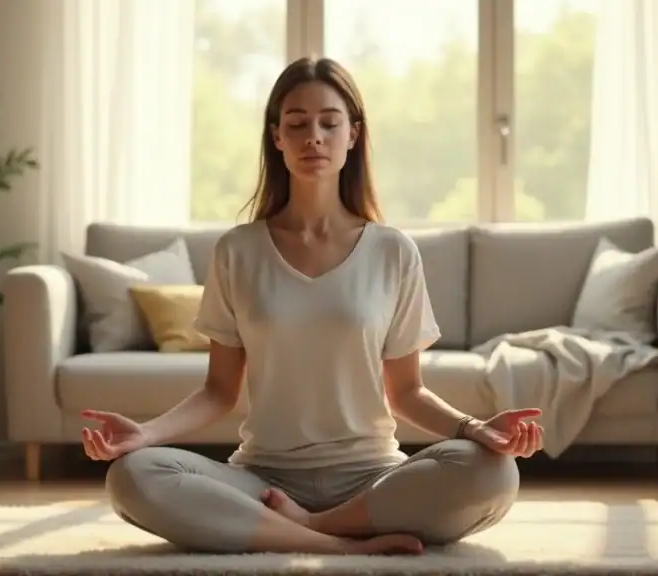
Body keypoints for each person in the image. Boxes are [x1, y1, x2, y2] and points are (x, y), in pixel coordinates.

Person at [80, 56, 545, 556]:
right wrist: (144, 434)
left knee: (493, 471)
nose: (313, 137)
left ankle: (318, 525)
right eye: (297, 124)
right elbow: (218, 391)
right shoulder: (238, 251)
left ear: (353, 135)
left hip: (372, 479)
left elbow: (407, 393)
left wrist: (478, 430)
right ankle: (343, 545)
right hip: (262, 480)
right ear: (276, 137)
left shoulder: (392, 252)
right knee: (133, 475)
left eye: (329, 122)